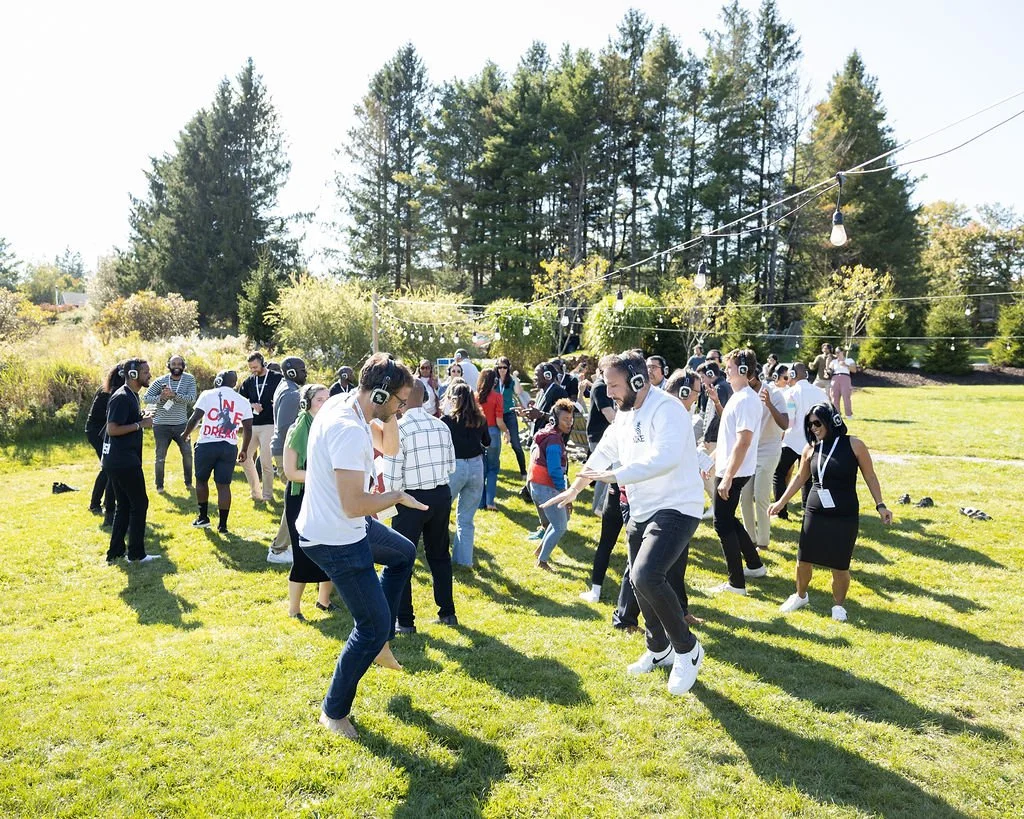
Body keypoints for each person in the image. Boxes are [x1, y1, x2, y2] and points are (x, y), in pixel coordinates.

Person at [542, 352, 706, 696]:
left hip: (678, 505)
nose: (609, 392)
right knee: (635, 579)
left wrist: (617, 475)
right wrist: (575, 488)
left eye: (614, 385)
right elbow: (604, 451)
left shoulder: (668, 409)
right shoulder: (625, 415)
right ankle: (658, 648)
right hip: (643, 507)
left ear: (637, 379)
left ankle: (687, 649)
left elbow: (666, 458)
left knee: (647, 574)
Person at [297, 353, 424, 739]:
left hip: (346, 526)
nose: (403, 409)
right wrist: (397, 495)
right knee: (371, 626)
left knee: (403, 554)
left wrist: (390, 421)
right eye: (401, 401)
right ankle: (333, 712)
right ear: (382, 393)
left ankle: (381, 642)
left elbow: (388, 449)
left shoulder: (345, 402)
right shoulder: (348, 430)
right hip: (335, 538)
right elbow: (355, 504)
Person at [770, 403, 893, 621]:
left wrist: (880, 505)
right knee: (803, 559)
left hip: (844, 514)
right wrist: (781, 502)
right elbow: (800, 478)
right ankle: (800, 595)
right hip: (815, 511)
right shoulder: (811, 449)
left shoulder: (854, 445)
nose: (814, 428)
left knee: (839, 564)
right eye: (810, 425)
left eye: (818, 423)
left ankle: (838, 606)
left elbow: (870, 476)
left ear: (831, 421)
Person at [383, 380, 458, 632]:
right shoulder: (441, 425)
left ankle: (405, 621)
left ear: (401, 401)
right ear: (426, 398)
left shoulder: (399, 429)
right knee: (439, 556)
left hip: (409, 499)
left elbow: (392, 478)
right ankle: (448, 612)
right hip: (440, 494)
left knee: (402, 558)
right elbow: (451, 466)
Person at [708, 349, 767, 596]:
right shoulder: (740, 397)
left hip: (735, 470)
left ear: (744, 370)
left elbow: (743, 442)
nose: (726, 370)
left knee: (721, 522)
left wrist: (728, 477)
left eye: (730, 367)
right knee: (728, 518)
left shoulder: (745, 400)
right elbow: (731, 432)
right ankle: (754, 565)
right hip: (731, 468)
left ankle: (736, 583)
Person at [282, 383, 336, 620]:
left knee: (331, 547)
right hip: (300, 495)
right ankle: (294, 609)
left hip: (324, 493)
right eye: (319, 400)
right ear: (307, 404)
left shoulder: (330, 427)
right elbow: (291, 472)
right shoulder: (298, 430)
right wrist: (324, 476)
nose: (325, 404)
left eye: (328, 399)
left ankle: (323, 601)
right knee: (304, 553)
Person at [102, 359, 159, 564]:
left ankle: (115, 552)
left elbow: (125, 421)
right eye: (145, 372)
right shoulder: (122, 397)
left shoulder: (132, 396)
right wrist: (140, 424)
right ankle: (136, 554)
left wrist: (140, 416)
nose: (149, 376)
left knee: (124, 506)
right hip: (123, 461)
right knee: (139, 503)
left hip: (118, 460)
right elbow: (113, 429)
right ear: (133, 374)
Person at [183, 371, 253, 534]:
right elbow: (248, 428)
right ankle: (222, 525)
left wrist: (185, 434)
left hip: (207, 444)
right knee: (223, 486)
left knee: (201, 480)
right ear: (235, 383)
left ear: (218, 380)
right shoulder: (243, 401)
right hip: (229, 446)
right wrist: (244, 449)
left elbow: (195, 418)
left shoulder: (208, 394)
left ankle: (203, 517)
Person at [739, 360, 789, 551]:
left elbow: (785, 423)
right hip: (749, 450)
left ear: (754, 376)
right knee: (744, 497)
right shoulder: (743, 394)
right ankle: (749, 540)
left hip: (769, 450)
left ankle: (763, 542)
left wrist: (768, 404)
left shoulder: (774, 393)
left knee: (760, 496)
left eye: (747, 377)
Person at [441, 382, 488, 567]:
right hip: (476, 466)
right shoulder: (480, 419)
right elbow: (487, 441)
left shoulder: (446, 420)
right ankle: (464, 561)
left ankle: (439, 554)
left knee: (442, 512)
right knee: (466, 519)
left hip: (456, 466)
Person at [773, 362, 828, 520]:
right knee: (808, 477)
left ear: (792, 375)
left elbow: (788, 421)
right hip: (814, 442)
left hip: (793, 441)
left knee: (779, 473)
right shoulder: (820, 392)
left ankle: (781, 512)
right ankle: (807, 511)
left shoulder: (791, 393)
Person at [527, 398, 576, 572]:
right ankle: (542, 561)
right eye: (565, 420)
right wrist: (565, 493)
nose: (569, 423)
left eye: (571, 420)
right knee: (560, 526)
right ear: (554, 419)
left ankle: (540, 549)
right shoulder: (554, 441)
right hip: (546, 486)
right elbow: (555, 470)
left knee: (558, 522)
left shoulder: (546, 433)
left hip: (536, 484)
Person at [268, 356, 307, 564]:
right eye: (302, 369)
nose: (305, 373)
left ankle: (287, 544)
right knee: (294, 501)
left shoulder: (286, 386)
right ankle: (279, 549)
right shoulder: (292, 394)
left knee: (296, 500)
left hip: (283, 450)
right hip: (286, 452)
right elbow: (285, 427)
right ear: (291, 372)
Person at [143, 354, 197, 494]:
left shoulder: (189, 379)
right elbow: (146, 398)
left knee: (187, 454)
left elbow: (192, 399)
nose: (177, 366)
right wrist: (160, 397)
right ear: (169, 365)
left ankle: (189, 483)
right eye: (174, 364)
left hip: (181, 425)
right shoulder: (160, 381)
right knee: (160, 457)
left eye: (179, 364)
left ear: (184, 365)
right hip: (161, 425)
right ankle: (159, 486)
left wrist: (175, 395)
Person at [239, 352, 283, 503]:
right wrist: (252, 405)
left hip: (269, 425)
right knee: (244, 458)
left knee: (265, 462)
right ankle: (255, 492)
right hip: (252, 426)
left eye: (255, 367)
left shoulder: (277, 378)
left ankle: (267, 495)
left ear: (262, 363)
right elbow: (240, 400)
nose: (253, 370)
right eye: (251, 368)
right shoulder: (249, 381)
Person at [86, 362, 124, 526]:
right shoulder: (109, 391)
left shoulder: (114, 390)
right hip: (98, 432)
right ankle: (98, 504)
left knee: (108, 468)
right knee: (108, 467)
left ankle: (99, 503)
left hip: (103, 430)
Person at [476, 368, 508, 512]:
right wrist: (507, 432)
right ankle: (490, 501)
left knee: (481, 469)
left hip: (478, 433)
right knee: (493, 469)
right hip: (493, 432)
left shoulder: (475, 396)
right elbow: (499, 421)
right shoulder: (497, 397)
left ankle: (480, 502)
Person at [496, 357, 528, 479]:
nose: (502, 370)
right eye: (500, 367)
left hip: (509, 414)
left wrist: (515, 378)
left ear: (508, 368)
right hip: (496, 414)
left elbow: (519, 392)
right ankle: (493, 470)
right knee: (494, 443)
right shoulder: (494, 381)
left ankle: (523, 471)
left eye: (505, 367)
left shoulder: (510, 381)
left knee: (516, 444)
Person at [829, 345, 858, 418]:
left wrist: (846, 365)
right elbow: (830, 370)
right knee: (834, 397)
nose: (837, 354)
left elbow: (854, 370)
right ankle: (837, 414)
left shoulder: (849, 360)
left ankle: (848, 415)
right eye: (835, 352)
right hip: (835, 378)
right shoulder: (833, 361)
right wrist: (827, 371)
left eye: (838, 352)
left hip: (845, 377)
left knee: (846, 397)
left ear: (842, 352)